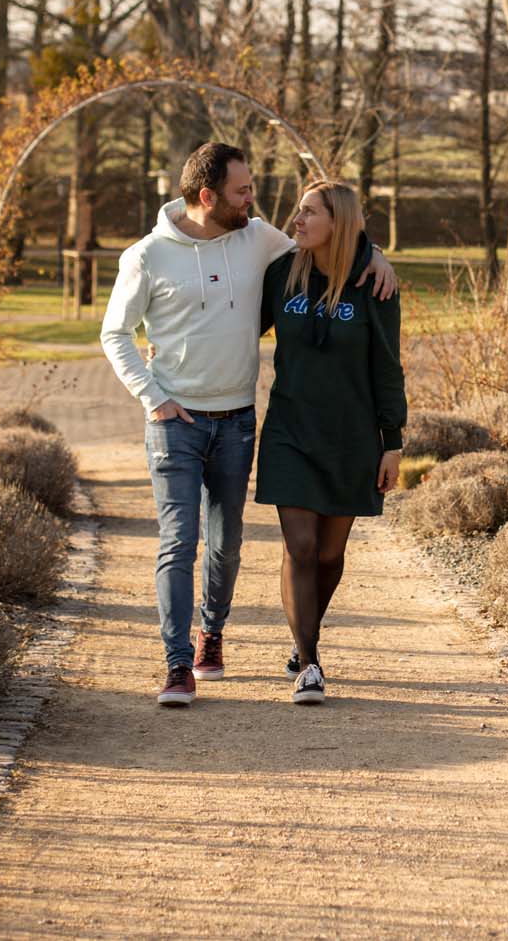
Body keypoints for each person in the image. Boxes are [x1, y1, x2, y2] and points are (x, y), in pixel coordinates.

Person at [99, 142, 396, 709]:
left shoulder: (258, 239)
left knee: (226, 543)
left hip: (236, 419)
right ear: (208, 197)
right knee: (178, 541)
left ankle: (213, 632)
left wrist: (375, 253)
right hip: (174, 421)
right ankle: (178, 663)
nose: (254, 201)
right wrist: (153, 397)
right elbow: (115, 334)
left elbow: (334, 239)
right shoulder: (146, 256)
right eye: (243, 191)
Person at [256, 181, 407, 705]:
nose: (297, 220)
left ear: (337, 223)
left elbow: (388, 367)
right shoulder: (282, 274)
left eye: (309, 212)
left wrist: (393, 441)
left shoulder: (374, 284)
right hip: (290, 430)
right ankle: (310, 662)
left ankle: (303, 645)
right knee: (299, 547)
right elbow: (234, 326)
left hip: (351, 437)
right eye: (298, 210)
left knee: (328, 554)